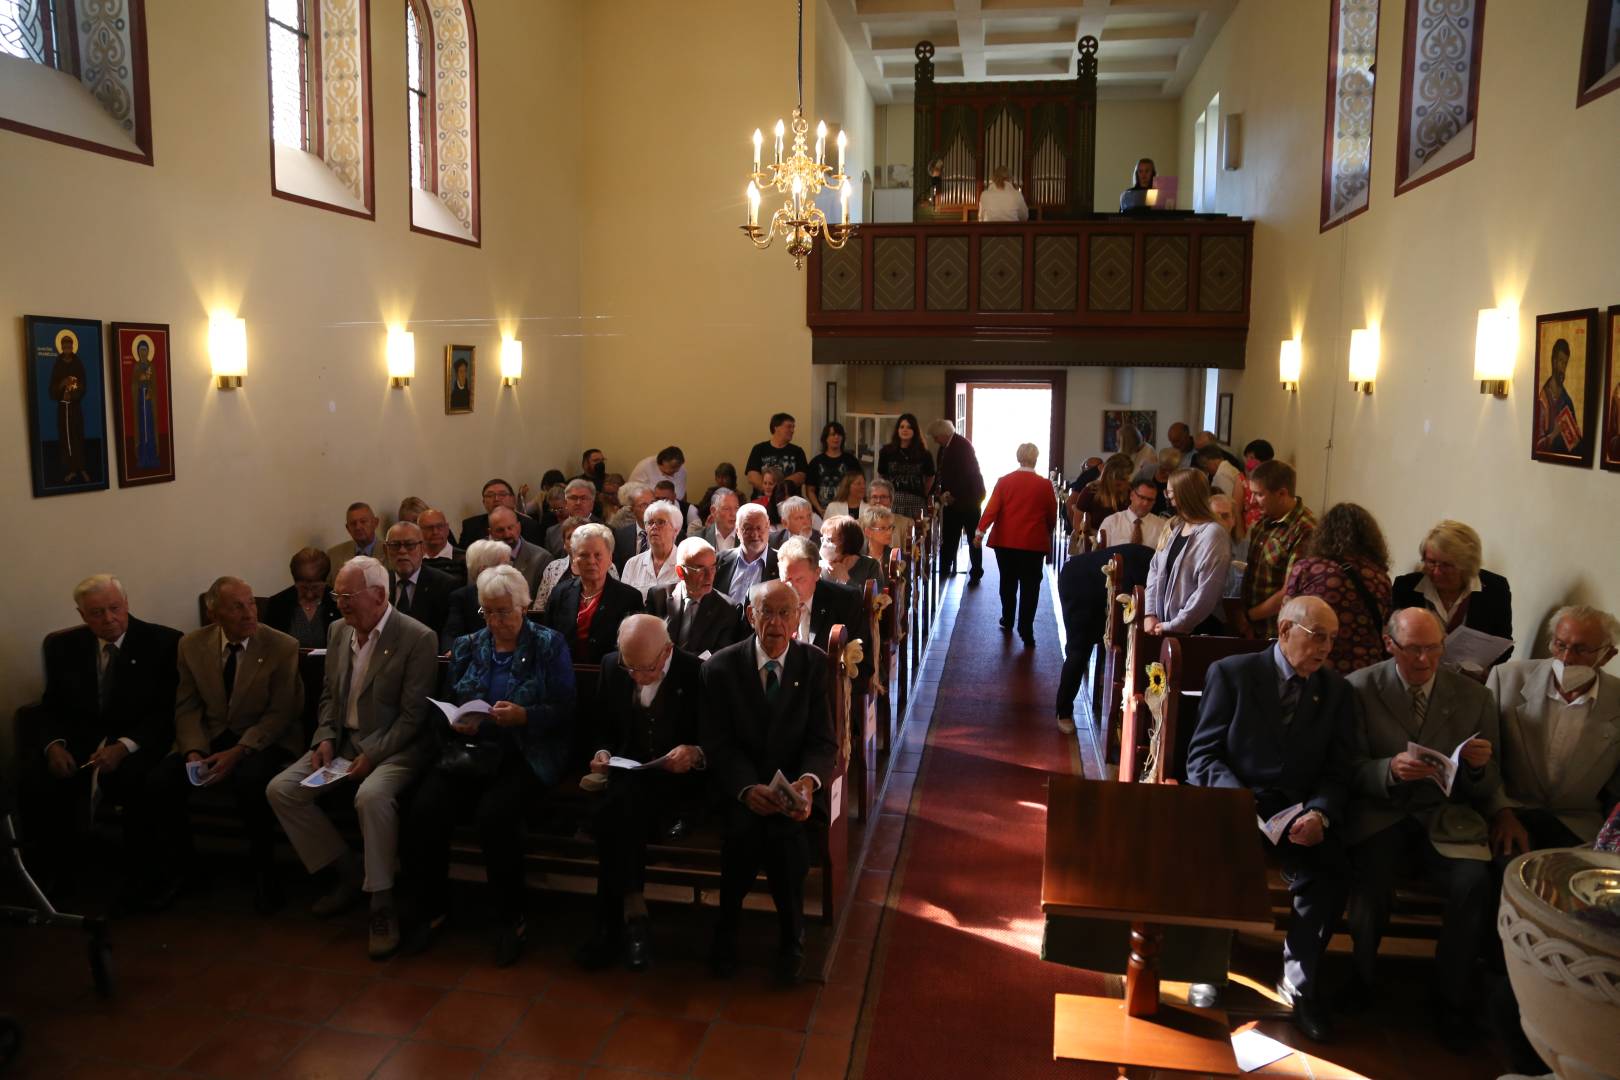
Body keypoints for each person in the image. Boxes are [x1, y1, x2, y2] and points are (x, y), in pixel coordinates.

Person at [1185, 596, 1354, 1041]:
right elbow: (1202, 756)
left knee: (1330, 868)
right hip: (1239, 802)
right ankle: (1208, 970)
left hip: (1298, 810)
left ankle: (1300, 987)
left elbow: (1339, 772)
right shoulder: (1233, 674)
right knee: (1217, 854)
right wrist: (1237, 800)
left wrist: (1320, 812)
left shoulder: (1335, 691)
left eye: (1332, 640)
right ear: (1284, 631)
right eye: (1317, 636)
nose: (1325, 649)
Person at [265, 556, 438, 960]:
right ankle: (347, 872)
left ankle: (381, 903)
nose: (339, 603)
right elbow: (328, 696)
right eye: (336, 595)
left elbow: (414, 717)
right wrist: (324, 736)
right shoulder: (339, 631)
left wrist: (372, 754)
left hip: (395, 748)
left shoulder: (416, 637)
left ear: (378, 595)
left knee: (371, 797)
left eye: (347, 595)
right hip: (342, 743)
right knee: (282, 790)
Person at [1341, 607, 1500, 1046]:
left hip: (1444, 817)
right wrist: (1388, 769)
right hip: (1382, 811)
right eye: (1413, 649)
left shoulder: (1474, 698)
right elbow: (1346, 769)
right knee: (1371, 878)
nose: (1425, 660)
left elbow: (1490, 784)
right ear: (1389, 644)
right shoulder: (1360, 688)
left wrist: (1476, 768)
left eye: (1433, 648)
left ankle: (1449, 997)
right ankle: (1361, 978)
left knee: (1473, 882)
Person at [404, 564, 575, 967]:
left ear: (524, 606)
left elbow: (566, 710)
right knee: (424, 808)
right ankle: (432, 908)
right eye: (488, 612)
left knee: (496, 815)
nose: (496, 621)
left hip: (524, 752)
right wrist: (457, 720)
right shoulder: (467, 645)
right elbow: (447, 702)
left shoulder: (549, 645)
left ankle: (510, 918)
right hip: (470, 751)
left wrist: (524, 716)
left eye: (503, 611)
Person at [702, 580, 837, 985]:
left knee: (787, 841)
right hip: (741, 791)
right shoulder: (721, 668)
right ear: (750, 615)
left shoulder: (814, 665)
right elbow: (717, 743)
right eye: (767, 612)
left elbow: (822, 740)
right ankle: (727, 931)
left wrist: (808, 784)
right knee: (742, 838)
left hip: (795, 793)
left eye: (785, 613)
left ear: (798, 618)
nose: (775, 623)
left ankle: (791, 937)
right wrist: (746, 789)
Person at [145, 576, 303, 913]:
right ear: (214, 614)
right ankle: (185, 870)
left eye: (251, 603)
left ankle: (265, 873)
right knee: (161, 782)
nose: (250, 613)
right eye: (237, 607)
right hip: (211, 734)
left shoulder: (281, 646)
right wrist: (193, 750)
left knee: (250, 781)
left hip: (262, 735)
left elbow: (280, 714)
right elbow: (187, 705)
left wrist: (239, 751)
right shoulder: (191, 645)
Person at [23, 575, 181, 904]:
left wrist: (124, 746)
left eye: (114, 608)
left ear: (127, 605)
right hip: (83, 740)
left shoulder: (163, 642)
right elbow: (50, 706)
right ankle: (52, 874)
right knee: (34, 776)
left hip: (139, 739)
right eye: (96, 612)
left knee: (138, 779)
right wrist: (53, 745)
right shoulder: (64, 647)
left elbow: (167, 710)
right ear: (81, 615)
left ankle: (143, 879)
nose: (108, 619)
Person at [576, 616, 706, 970]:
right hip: (628, 777)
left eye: (645, 669)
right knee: (620, 811)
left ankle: (615, 924)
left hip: (676, 788)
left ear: (666, 651)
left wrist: (694, 753)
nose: (634, 675)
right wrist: (602, 751)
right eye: (628, 666)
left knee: (612, 818)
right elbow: (601, 726)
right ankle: (633, 918)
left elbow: (713, 738)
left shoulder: (695, 672)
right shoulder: (611, 665)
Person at [1485, 605, 1620, 855]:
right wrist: (1501, 812)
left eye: (1581, 649)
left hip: (1577, 827)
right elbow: (1486, 758)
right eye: (1560, 645)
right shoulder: (1507, 679)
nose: (1567, 658)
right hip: (1512, 812)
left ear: (1608, 655)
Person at [1281, 503, 1393, 674]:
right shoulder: (1379, 577)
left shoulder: (1307, 569)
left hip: (1315, 664)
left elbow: (1286, 615)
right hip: (1364, 669)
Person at [1391, 519, 1514, 673]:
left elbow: (1503, 644)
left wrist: (1484, 671)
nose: (1436, 572)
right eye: (1431, 562)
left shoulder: (1495, 588)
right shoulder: (1406, 587)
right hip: (1417, 675)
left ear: (1468, 564)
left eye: (1446, 565)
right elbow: (1392, 639)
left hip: (1468, 684)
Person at [1055, 540, 1153, 733]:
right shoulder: (1155, 563)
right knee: (1079, 649)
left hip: (1108, 588)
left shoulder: (1152, 560)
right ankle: (1063, 711)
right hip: (1082, 583)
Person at [975, 443, 1058, 648]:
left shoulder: (1005, 481)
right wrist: (1049, 529)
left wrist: (980, 531)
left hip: (1006, 541)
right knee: (1031, 586)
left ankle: (1008, 618)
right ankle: (1026, 627)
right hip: (1033, 542)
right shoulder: (1044, 485)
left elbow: (992, 508)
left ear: (1018, 457)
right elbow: (1051, 513)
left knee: (1008, 581)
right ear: (1036, 458)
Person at [1144, 469, 1231, 636]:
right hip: (1165, 626)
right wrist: (1150, 613)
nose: (1166, 497)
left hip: (1196, 629)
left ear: (1183, 495)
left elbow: (1206, 593)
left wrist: (1175, 625)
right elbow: (1155, 569)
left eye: (1168, 492)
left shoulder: (1213, 533)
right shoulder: (1175, 526)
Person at [544, 523, 646, 663]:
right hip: (565, 675)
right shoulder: (560, 593)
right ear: (574, 557)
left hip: (608, 677)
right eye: (584, 555)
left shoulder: (629, 598)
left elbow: (632, 648)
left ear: (610, 557)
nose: (591, 561)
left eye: (598, 555)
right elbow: (548, 639)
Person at [1242, 460, 1317, 638]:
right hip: (1251, 626)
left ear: (1282, 493)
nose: (1252, 501)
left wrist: (1249, 616)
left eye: (1259, 494)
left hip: (1275, 631)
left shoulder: (1305, 529)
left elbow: (1289, 592)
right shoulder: (1265, 520)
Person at [645, 536, 746, 657]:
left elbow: (720, 658)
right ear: (680, 572)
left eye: (713, 567)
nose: (709, 576)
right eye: (700, 569)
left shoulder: (729, 609)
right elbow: (648, 643)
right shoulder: (658, 597)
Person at [928, 419, 986, 581]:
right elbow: (942, 472)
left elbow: (968, 475)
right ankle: (946, 568)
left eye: (935, 437)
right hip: (954, 499)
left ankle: (975, 571)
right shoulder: (945, 447)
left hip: (969, 499)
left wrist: (953, 494)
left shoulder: (962, 446)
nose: (934, 440)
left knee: (973, 537)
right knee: (950, 536)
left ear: (943, 434)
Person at [382, 521, 457, 638]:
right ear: (385, 550)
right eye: (395, 545)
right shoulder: (379, 584)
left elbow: (448, 634)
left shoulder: (445, 585)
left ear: (423, 549)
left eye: (410, 545)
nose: (402, 551)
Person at [443, 538, 513, 651]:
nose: (510, 570)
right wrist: (451, 650)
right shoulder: (462, 597)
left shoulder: (515, 593)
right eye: (504, 565)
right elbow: (451, 634)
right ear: (483, 570)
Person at [265, 547, 341, 648]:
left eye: (315, 587)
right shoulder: (278, 604)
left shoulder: (338, 602)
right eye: (303, 588)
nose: (309, 594)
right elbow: (267, 645)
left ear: (325, 582)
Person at [47, 329, 90, 482]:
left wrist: (73, 392)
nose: (67, 348)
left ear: (72, 347)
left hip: (74, 407)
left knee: (77, 435)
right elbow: (52, 388)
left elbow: (83, 385)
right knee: (65, 437)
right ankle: (70, 470)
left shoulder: (78, 363)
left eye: (69, 346)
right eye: (64, 346)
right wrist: (61, 385)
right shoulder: (58, 364)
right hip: (62, 408)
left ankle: (82, 468)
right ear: (61, 347)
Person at [714, 503, 779, 605]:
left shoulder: (781, 563)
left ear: (768, 527)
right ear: (737, 530)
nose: (754, 534)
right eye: (748, 528)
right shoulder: (720, 560)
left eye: (759, 528)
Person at [876, 412, 935, 521]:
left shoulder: (924, 454)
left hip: (916, 501)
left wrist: (923, 493)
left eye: (909, 427)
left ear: (914, 431)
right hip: (894, 500)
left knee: (917, 534)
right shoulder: (886, 451)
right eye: (902, 427)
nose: (905, 430)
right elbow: (881, 476)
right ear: (897, 430)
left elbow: (930, 477)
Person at [621, 498, 683, 597]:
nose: (654, 526)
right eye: (650, 523)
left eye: (661, 522)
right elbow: (624, 599)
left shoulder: (685, 563)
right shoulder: (632, 564)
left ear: (676, 529)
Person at [1067, 453, 1132, 545]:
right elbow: (1078, 527)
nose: (1126, 484)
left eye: (1127, 479)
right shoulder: (1090, 491)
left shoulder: (1130, 493)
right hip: (1094, 546)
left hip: (1121, 544)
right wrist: (1086, 538)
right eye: (1122, 481)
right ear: (1110, 477)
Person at [460, 477, 544, 547]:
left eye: (502, 494)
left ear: (513, 500)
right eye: (490, 495)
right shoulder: (470, 526)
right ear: (484, 502)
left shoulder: (530, 526)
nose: (496, 499)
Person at [489, 506, 553, 596]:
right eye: (500, 530)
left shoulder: (542, 559)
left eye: (510, 528)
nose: (507, 534)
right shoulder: (483, 558)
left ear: (519, 527)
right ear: (491, 533)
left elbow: (543, 603)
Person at [1533, 338, 1581, 454]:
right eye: (1561, 361)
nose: (1563, 368)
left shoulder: (1567, 400)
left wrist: (1576, 435)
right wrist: (1554, 434)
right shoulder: (1543, 400)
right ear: (1554, 362)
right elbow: (1537, 446)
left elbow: (1575, 443)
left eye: (1565, 363)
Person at [1097, 473, 1165, 549]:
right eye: (1142, 497)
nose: (1145, 503)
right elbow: (1101, 554)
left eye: (1150, 500)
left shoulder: (1161, 527)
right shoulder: (1111, 522)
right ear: (1131, 495)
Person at [806, 422, 861, 515]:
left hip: (846, 512)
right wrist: (819, 509)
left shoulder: (851, 461)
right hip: (821, 512)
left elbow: (859, 486)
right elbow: (810, 490)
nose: (836, 437)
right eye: (833, 434)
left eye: (839, 435)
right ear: (825, 438)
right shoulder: (816, 462)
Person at [820, 513, 884, 593]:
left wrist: (845, 580)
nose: (824, 544)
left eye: (829, 540)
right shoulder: (817, 568)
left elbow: (873, 602)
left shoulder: (870, 566)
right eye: (823, 539)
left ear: (847, 542)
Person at [746, 412, 808, 492]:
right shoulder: (759, 449)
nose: (792, 430)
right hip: (762, 501)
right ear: (776, 427)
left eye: (793, 427)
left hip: (790, 502)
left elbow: (801, 476)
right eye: (789, 427)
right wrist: (768, 490)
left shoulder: (798, 451)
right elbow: (752, 476)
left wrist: (779, 490)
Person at [326, 501, 381, 583]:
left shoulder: (390, 551)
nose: (358, 527)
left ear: (375, 523)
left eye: (363, 521)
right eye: (353, 523)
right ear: (348, 528)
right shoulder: (333, 555)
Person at [546, 479, 604, 554]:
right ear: (566, 502)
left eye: (583, 498)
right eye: (573, 498)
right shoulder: (552, 533)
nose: (578, 502)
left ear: (592, 503)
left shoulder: (606, 530)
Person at [417, 508, 466, 586]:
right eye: (429, 528)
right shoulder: (414, 560)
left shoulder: (465, 558)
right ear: (419, 531)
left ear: (447, 528)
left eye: (440, 526)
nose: (435, 532)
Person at [865, 477, 914, 552]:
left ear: (891, 500)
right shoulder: (857, 524)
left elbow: (909, 557)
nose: (878, 501)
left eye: (883, 497)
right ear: (868, 500)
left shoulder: (906, 524)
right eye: (874, 497)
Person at [697, 487, 742, 551]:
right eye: (726, 509)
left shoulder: (747, 538)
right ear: (713, 511)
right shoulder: (698, 539)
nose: (733, 514)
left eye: (736, 508)